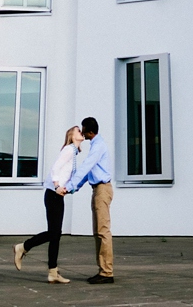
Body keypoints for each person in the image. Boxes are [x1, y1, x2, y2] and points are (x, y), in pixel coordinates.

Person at [14, 125, 83, 284]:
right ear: (72, 136)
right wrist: (58, 185)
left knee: (56, 234)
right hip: (53, 194)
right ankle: (23, 247)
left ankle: (53, 272)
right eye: (78, 130)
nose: (81, 132)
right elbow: (55, 168)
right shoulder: (68, 149)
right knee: (54, 233)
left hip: (57, 196)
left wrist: (68, 189)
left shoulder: (73, 152)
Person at [59, 116, 114, 284]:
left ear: (90, 132)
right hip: (98, 190)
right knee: (98, 231)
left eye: (83, 130)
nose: (82, 133)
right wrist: (72, 188)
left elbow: (85, 168)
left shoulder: (98, 147)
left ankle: (107, 272)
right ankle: (103, 270)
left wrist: (69, 186)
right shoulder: (96, 146)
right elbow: (88, 173)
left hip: (102, 190)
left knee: (103, 231)